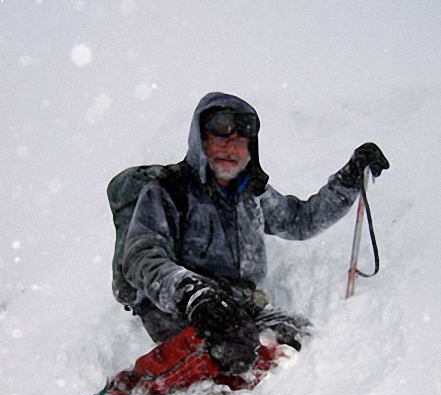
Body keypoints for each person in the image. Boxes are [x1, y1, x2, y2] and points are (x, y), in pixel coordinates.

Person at [120, 91, 389, 377]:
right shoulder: (169, 190)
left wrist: (347, 181)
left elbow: (300, 221)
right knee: (230, 345)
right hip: (182, 308)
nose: (229, 148)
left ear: (251, 149)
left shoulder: (251, 194)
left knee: (299, 335)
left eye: (239, 141)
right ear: (201, 142)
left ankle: (248, 390)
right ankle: (140, 390)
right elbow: (141, 255)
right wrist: (193, 294)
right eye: (220, 138)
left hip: (240, 305)